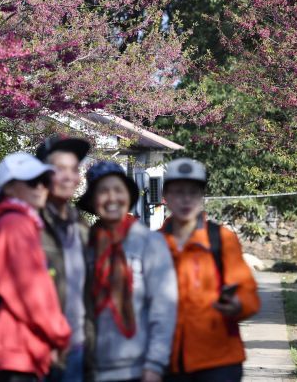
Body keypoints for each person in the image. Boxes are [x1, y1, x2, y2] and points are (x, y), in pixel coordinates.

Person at [159, 158, 260, 382]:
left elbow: (247, 292)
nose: (186, 199)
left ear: (202, 196)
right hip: (166, 361)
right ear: (166, 196)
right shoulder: (153, 243)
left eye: (193, 192)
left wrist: (238, 305)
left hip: (219, 361)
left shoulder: (222, 239)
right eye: (178, 192)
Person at [0, 152, 72, 382]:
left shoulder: (14, 222)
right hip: (15, 352)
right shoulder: (15, 225)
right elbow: (31, 292)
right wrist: (60, 334)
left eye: (44, 181)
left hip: (15, 351)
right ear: (8, 188)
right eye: (31, 181)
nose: (40, 187)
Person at [78, 161, 178, 382]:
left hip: (140, 368)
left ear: (128, 196)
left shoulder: (150, 243)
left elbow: (164, 309)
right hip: (92, 367)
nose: (112, 198)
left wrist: (155, 364)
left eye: (118, 190)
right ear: (93, 201)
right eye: (103, 191)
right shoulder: (84, 246)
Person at [36, 135, 92, 382]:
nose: (69, 176)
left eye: (74, 169)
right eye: (60, 169)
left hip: (78, 349)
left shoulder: (80, 226)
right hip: (39, 352)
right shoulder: (28, 224)